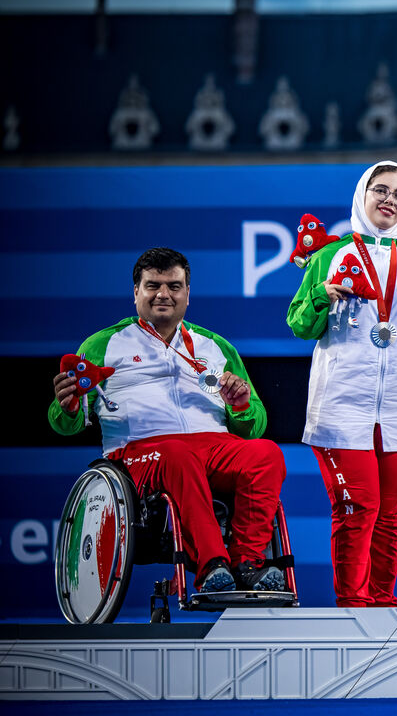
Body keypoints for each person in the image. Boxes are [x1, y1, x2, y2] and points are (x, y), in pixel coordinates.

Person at [48, 247, 286, 593]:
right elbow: (65, 424)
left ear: (187, 293)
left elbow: (255, 425)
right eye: (153, 285)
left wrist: (241, 407)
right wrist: (67, 407)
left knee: (266, 454)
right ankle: (210, 567)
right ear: (136, 293)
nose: (163, 294)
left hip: (214, 447)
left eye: (174, 286)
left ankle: (248, 563)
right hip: (140, 452)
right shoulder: (103, 344)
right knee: (178, 454)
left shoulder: (216, 346)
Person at [287, 161, 397, 607]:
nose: (389, 200)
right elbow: (300, 325)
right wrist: (322, 294)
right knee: (357, 507)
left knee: (389, 515)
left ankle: (383, 605)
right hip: (342, 406)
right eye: (380, 190)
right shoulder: (330, 255)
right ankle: (352, 606)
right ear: (362, 195)